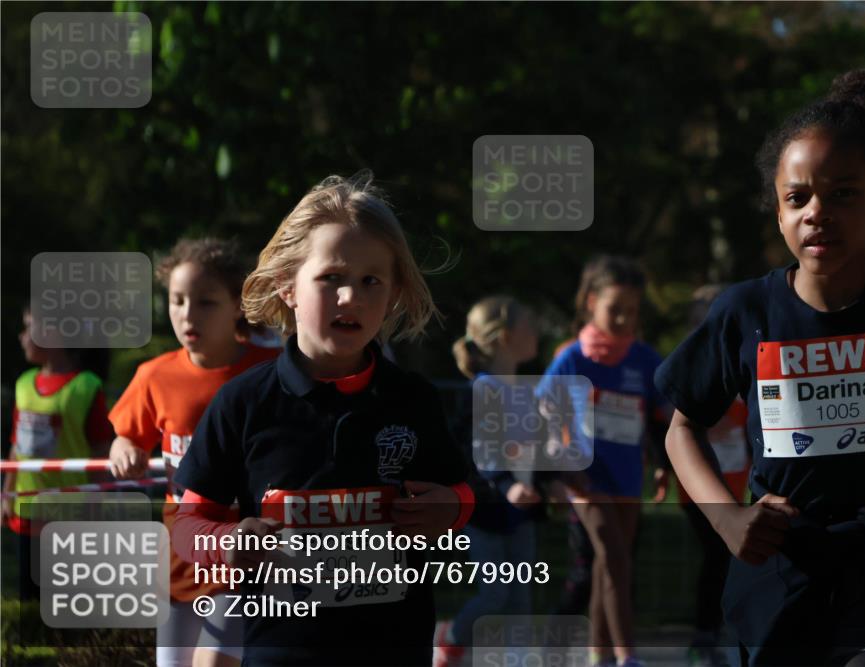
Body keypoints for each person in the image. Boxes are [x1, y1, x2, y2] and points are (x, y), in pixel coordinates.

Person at [655, 70, 865, 667]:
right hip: (786, 567)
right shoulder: (745, 312)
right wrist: (728, 519)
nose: (817, 212)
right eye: (798, 198)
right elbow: (682, 428)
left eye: (842, 194)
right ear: (778, 214)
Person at [171, 172, 473, 666]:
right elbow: (186, 525)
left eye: (371, 281)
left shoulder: (413, 399)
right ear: (287, 285)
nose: (351, 297)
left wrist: (453, 508)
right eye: (331, 277)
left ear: (394, 294)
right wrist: (226, 543)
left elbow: (465, 492)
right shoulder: (242, 403)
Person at [109, 237, 279, 667]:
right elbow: (127, 436)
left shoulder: (272, 371)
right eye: (178, 300)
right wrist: (124, 448)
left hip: (245, 550)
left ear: (238, 305)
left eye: (206, 302)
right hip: (181, 551)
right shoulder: (153, 375)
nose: (188, 314)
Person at [536, 255, 669, 667]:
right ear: (592, 302)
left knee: (606, 569)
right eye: (615, 309)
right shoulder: (572, 358)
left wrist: (663, 464)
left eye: (633, 310)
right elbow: (541, 411)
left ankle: (600, 655)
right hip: (586, 480)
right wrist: (560, 464)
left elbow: (661, 418)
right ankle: (628, 655)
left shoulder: (645, 360)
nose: (625, 319)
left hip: (628, 478)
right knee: (614, 559)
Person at [435, 295, 547, 667]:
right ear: (505, 337)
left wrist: (550, 483)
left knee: (520, 596)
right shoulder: (483, 391)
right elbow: (479, 450)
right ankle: (451, 637)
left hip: (520, 513)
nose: (537, 333)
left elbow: (532, 448)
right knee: (496, 593)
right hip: (485, 513)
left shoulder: (525, 390)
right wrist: (505, 484)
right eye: (530, 326)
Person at [2, 307, 114, 598]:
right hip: (27, 510)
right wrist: (7, 494)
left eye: (28, 328)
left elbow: (101, 452)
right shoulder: (24, 383)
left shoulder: (87, 386)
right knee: (29, 597)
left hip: (69, 515)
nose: (21, 336)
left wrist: (95, 507)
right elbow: (16, 447)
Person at [673, 285, 752, 667]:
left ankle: (720, 637)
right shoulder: (690, 363)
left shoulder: (742, 356)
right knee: (719, 555)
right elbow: (672, 423)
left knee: (730, 560)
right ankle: (704, 639)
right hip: (701, 485)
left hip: (737, 481)